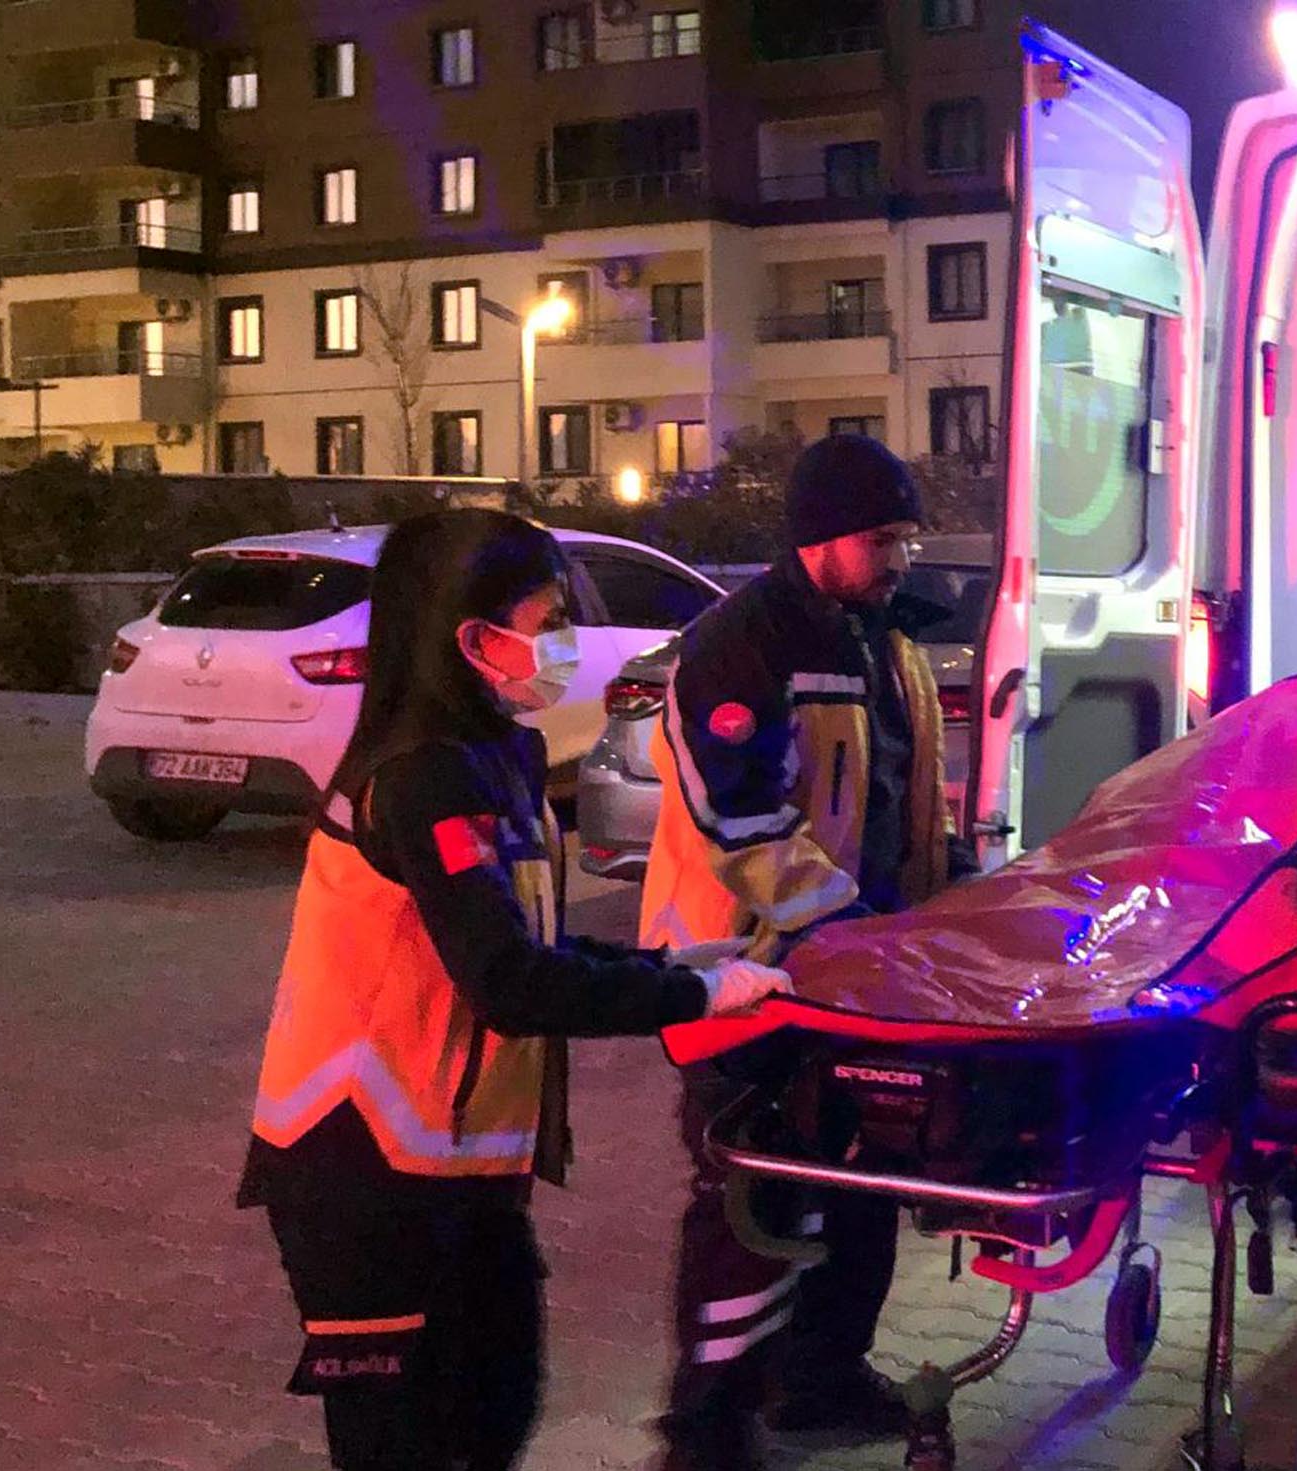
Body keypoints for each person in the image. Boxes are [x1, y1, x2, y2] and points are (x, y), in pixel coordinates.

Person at [238, 508, 788, 1471]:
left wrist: (674, 969)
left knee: (496, 1407)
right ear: (476, 639)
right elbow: (509, 981)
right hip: (365, 1167)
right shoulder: (420, 778)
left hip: (456, 1167)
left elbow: (528, 942)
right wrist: (692, 998)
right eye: (550, 618)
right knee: (411, 1445)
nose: (566, 639)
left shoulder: (494, 756)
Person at [641, 433, 958, 1463]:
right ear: (820, 537)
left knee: (862, 1183)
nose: (899, 559)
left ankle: (818, 1382)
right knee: (748, 1199)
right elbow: (738, 822)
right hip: (746, 977)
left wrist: (941, 902)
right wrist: (844, 932)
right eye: (881, 539)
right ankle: (706, 1425)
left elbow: (899, 797)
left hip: (853, 974)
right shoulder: (739, 645)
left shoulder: (885, 639)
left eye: (905, 538)